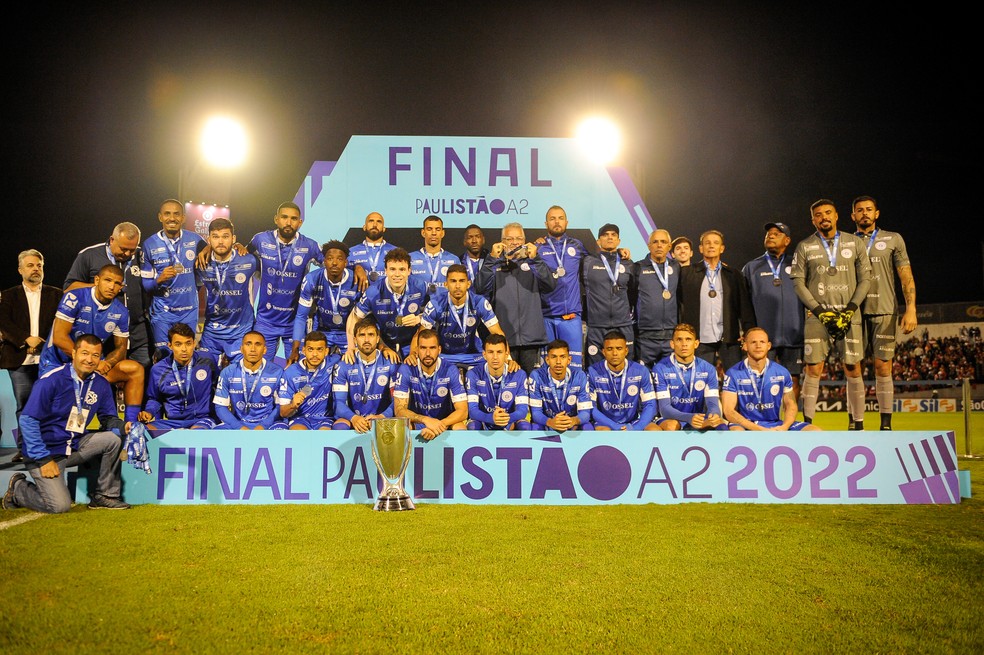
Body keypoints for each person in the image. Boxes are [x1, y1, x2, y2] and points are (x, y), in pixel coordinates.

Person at [2, 334, 131, 512]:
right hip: (46, 452)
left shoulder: (100, 384)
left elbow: (108, 419)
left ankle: (105, 495)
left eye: (95, 355)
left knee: (113, 439)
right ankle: (18, 489)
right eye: (85, 353)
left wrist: (123, 426)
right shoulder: (52, 379)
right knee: (59, 506)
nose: (89, 359)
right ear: (73, 353)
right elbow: (27, 420)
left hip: (74, 446)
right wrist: (43, 458)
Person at [790, 199, 871, 429]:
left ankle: (858, 424)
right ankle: (807, 424)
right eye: (818, 214)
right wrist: (819, 311)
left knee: (853, 368)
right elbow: (798, 283)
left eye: (828, 213)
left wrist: (851, 309)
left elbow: (865, 279)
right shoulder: (804, 246)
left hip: (849, 315)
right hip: (817, 317)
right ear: (813, 219)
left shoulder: (854, 243)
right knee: (813, 368)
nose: (823, 217)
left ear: (836, 216)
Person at [38, 265, 144, 425]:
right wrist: (93, 364)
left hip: (93, 364)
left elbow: (121, 348)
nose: (111, 286)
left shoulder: (121, 312)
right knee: (57, 418)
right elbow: (59, 338)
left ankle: (131, 429)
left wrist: (107, 364)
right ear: (97, 280)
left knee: (135, 370)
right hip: (57, 363)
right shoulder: (75, 297)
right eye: (108, 280)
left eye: (117, 283)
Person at [851, 195, 918, 431]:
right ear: (853, 216)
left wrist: (910, 309)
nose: (864, 213)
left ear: (876, 214)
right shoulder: (845, 242)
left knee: (883, 367)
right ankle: (856, 424)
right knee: (852, 367)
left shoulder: (893, 238)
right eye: (860, 210)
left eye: (869, 209)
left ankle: (886, 425)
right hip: (853, 314)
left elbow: (905, 275)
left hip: (885, 310)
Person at [0, 249, 62, 462]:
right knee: (24, 406)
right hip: (19, 359)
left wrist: (42, 342)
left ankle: (51, 446)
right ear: (20, 270)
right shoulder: (8, 295)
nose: (35, 269)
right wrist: (26, 339)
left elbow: (60, 323)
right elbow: (4, 323)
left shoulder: (57, 294)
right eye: (30, 265)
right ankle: (25, 449)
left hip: (50, 359)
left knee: (50, 405)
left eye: (39, 265)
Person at [64, 221, 151, 368]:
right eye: (123, 249)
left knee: (140, 377)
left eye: (132, 250)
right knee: (104, 379)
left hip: (138, 334)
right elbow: (69, 288)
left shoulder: (142, 256)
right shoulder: (89, 255)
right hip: (104, 335)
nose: (128, 254)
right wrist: (100, 286)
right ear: (112, 240)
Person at [247, 201, 325, 358]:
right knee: (262, 368)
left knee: (295, 370)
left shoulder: (310, 245)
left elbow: (331, 264)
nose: (288, 222)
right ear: (276, 219)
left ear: (300, 222)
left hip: (295, 321)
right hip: (265, 320)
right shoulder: (260, 240)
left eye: (294, 218)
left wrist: (356, 267)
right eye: (284, 217)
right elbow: (240, 255)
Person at [475, 222, 556, 373]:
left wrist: (536, 259)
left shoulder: (533, 263)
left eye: (518, 238)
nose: (514, 242)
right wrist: (492, 259)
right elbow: (479, 288)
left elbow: (550, 285)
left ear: (524, 241)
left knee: (530, 384)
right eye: (509, 239)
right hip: (504, 340)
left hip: (531, 338)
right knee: (507, 385)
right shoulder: (494, 264)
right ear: (502, 242)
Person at [741, 222, 805, 400]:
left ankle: (789, 422)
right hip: (762, 337)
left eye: (777, 233)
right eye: (768, 233)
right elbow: (743, 304)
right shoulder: (751, 268)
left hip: (794, 334)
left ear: (787, 240)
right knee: (759, 379)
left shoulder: (799, 264)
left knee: (792, 380)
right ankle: (760, 422)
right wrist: (746, 331)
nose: (771, 235)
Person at [678, 229, 755, 374]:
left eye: (715, 243)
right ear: (701, 248)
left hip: (729, 338)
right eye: (707, 243)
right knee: (700, 380)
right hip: (699, 339)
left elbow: (744, 307)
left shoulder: (733, 274)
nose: (711, 246)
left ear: (722, 248)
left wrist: (749, 332)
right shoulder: (687, 273)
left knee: (735, 378)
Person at [140, 199, 206, 359]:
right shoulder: (149, 245)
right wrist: (159, 279)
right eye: (167, 214)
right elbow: (146, 286)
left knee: (185, 355)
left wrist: (237, 245)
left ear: (183, 218)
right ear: (160, 217)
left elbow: (217, 251)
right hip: (163, 313)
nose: (172, 218)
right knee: (164, 356)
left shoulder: (196, 240)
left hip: (188, 311)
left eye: (177, 214)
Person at [721, 327, 820, 431]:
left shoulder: (782, 372)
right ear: (745, 346)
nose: (758, 346)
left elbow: (791, 405)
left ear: (768, 346)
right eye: (753, 342)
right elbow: (728, 411)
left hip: (774, 423)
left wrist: (784, 427)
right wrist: (759, 430)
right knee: (737, 431)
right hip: (746, 425)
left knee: (814, 431)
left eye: (762, 342)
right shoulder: (733, 373)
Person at [412, 263, 507, 371]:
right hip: (445, 355)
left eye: (461, 281)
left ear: (468, 284)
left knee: (496, 363)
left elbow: (498, 333)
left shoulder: (479, 302)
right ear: (446, 284)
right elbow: (421, 335)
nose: (457, 286)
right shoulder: (435, 304)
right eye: (453, 281)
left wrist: (508, 358)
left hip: (473, 355)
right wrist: (412, 354)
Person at [346, 247, 429, 362]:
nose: (397, 274)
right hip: (385, 343)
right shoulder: (373, 292)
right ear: (386, 271)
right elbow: (354, 317)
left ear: (409, 271)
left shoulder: (421, 287)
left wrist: (419, 318)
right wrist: (351, 347)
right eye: (392, 269)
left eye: (402, 269)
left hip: (412, 342)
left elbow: (436, 311)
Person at [195, 218, 259, 366]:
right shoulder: (201, 264)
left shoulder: (249, 261)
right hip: (212, 332)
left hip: (240, 331)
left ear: (233, 238)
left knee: (239, 379)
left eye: (225, 236)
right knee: (203, 375)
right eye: (216, 237)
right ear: (209, 239)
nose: (221, 241)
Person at [289, 240, 361, 366]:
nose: (334, 263)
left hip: (348, 333)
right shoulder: (312, 279)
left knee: (353, 368)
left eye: (339, 259)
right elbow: (301, 316)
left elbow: (364, 316)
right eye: (330, 258)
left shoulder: (356, 280)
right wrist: (295, 349)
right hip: (323, 332)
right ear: (324, 261)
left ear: (346, 263)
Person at [138, 323, 218, 431]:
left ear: (194, 344)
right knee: (139, 432)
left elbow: (218, 386)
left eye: (188, 344)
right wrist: (149, 412)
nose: (184, 349)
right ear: (170, 346)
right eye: (178, 344)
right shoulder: (158, 370)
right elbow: (154, 398)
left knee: (196, 434)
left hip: (203, 420)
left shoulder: (207, 361)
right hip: (174, 422)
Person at [536, 205, 588, 368]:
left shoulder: (577, 245)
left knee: (574, 366)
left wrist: (619, 253)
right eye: (552, 219)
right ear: (546, 224)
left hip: (571, 316)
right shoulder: (538, 247)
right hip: (546, 316)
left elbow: (596, 263)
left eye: (560, 218)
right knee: (548, 367)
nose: (556, 222)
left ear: (566, 222)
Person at [393, 328, 468, 440]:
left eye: (432, 348)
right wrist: (426, 420)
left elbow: (463, 411)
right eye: (423, 348)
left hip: (443, 423)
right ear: (417, 349)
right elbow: (399, 410)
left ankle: (456, 457)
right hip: (419, 422)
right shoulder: (406, 369)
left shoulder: (450, 370)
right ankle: (407, 457)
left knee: (460, 427)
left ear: (439, 349)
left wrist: (438, 425)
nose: (428, 353)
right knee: (404, 426)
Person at [652, 323, 727, 431]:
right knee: (671, 426)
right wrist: (688, 418)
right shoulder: (660, 369)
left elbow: (712, 403)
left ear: (696, 343)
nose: (684, 344)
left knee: (721, 426)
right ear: (672, 344)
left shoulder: (708, 369)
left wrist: (713, 415)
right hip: (671, 418)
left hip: (698, 418)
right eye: (679, 340)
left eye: (688, 339)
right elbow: (664, 409)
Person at [582, 223, 635, 368]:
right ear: (598, 241)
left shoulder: (628, 264)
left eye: (613, 235)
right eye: (605, 235)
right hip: (597, 325)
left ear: (619, 241)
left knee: (627, 367)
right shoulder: (587, 261)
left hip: (623, 324)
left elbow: (634, 292)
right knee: (595, 368)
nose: (610, 237)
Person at [331, 317, 397, 432]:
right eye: (362, 335)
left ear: (377, 339)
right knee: (339, 426)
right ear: (355, 340)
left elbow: (398, 402)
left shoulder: (390, 363)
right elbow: (339, 403)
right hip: (355, 418)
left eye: (371, 335)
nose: (366, 340)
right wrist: (354, 418)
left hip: (383, 418)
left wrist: (381, 417)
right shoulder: (344, 365)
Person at [213, 331, 287, 429]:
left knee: (281, 431)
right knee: (218, 432)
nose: (253, 349)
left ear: (264, 350)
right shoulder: (228, 372)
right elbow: (220, 406)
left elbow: (280, 406)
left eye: (258, 344)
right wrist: (239, 426)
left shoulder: (277, 372)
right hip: (239, 423)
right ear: (241, 349)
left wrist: (264, 425)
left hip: (269, 424)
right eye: (248, 344)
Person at [587, 330, 659, 431]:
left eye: (619, 348)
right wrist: (614, 426)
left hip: (633, 421)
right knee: (603, 432)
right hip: (606, 423)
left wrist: (636, 428)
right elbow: (590, 407)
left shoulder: (640, 371)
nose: (615, 353)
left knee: (654, 430)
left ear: (626, 351)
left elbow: (650, 404)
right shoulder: (593, 371)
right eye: (610, 349)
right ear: (603, 352)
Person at [633, 228, 680, 367]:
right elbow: (630, 296)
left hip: (670, 336)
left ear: (669, 246)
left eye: (663, 242)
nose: (659, 245)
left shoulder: (676, 267)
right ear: (649, 245)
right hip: (645, 336)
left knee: (669, 381)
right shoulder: (638, 267)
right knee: (644, 381)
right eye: (655, 242)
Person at [465, 333, 530, 430]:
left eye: (499, 352)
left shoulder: (519, 374)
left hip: (509, 421)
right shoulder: (473, 374)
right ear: (484, 354)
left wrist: (505, 418)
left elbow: (523, 410)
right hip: (484, 420)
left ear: (506, 354)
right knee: (473, 426)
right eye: (490, 352)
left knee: (525, 426)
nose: (495, 357)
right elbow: (472, 410)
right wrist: (491, 418)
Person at [527, 339, 593, 432]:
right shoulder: (537, 376)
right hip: (547, 422)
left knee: (588, 427)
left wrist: (573, 420)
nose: (558, 361)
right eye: (554, 357)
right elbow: (536, 413)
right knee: (534, 427)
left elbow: (586, 412)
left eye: (562, 357)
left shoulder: (579, 376)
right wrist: (551, 422)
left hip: (571, 422)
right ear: (547, 360)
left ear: (569, 360)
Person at [279, 331, 335, 430]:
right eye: (310, 349)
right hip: (300, 419)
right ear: (304, 350)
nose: (314, 354)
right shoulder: (290, 373)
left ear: (326, 351)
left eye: (319, 349)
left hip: (325, 418)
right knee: (298, 433)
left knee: (324, 433)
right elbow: (283, 413)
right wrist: (292, 405)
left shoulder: (334, 363)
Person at [410, 214, 461, 294]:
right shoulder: (410, 258)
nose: (434, 233)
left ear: (442, 233)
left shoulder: (454, 260)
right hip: (418, 305)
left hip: (445, 305)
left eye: (437, 229)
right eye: (429, 229)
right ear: (423, 232)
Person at [347, 211, 396, 283]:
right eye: (371, 221)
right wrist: (355, 267)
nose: (375, 225)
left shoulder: (396, 251)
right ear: (364, 227)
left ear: (384, 229)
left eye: (379, 222)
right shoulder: (350, 252)